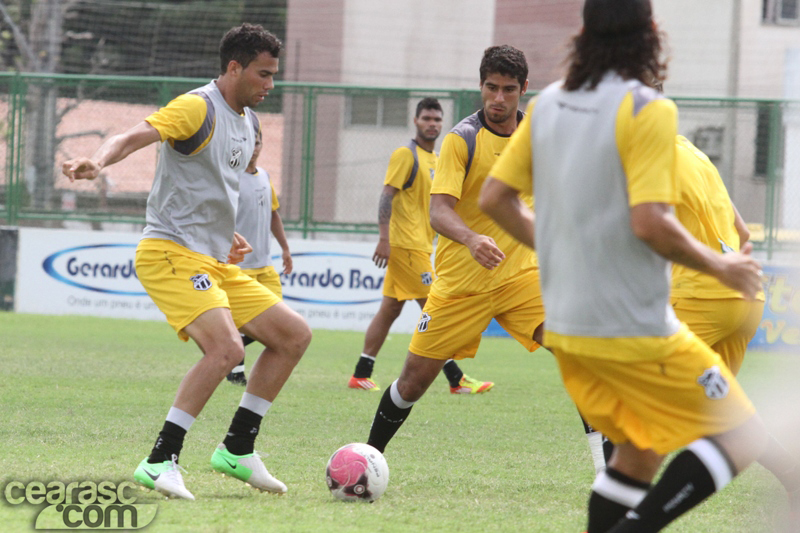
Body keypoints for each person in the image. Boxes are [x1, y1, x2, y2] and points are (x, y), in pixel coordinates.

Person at [480, 1, 768, 531]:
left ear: (584, 34)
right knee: (742, 435)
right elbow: (651, 223)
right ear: (652, 34)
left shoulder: (550, 105)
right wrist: (721, 266)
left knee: (640, 448)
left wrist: (557, 248)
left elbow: (496, 198)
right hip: (634, 329)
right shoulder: (647, 110)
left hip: (568, 328)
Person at [62, 23, 311, 501]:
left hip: (213, 259)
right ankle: (160, 460)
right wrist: (98, 160)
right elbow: (134, 135)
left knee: (294, 335)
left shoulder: (248, 122)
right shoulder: (197, 107)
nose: (270, 85)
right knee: (227, 350)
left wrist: (224, 236)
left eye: (273, 75)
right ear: (234, 67)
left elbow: (211, 187)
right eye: (263, 74)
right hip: (169, 253)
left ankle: (238, 447)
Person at [365, 45, 545, 454]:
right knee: (412, 383)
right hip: (462, 284)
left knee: (581, 352)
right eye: (491, 88)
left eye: (509, 90)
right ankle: (368, 457)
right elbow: (439, 211)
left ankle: (607, 479)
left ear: (524, 89)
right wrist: (472, 238)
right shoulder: (462, 139)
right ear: (480, 86)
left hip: (522, 279)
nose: (499, 99)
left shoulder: (537, 134)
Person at [668, 134, 800, 517]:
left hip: (701, 298)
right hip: (745, 296)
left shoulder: (643, 151)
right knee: (719, 407)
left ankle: (619, 511)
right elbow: (742, 232)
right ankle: (793, 474)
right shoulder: (692, 151)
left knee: (631, 385)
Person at [349, 97, 494, 395]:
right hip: (405, 245)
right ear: (416, 121)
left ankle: (361, 374)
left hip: (421, 245)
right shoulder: (406, 154)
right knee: (434, 307)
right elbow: (387, 194)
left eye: (437, 120)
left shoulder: (438, 159)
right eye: (427, 118)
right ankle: (456, 379)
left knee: (390, 309)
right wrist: (384, 239)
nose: (432, 124)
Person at [227, 130, 293, 386]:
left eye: (257, 142)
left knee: (280, 323)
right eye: (249, 143)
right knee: (245, 321)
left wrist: (285, 249)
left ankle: (231, 350)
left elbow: (274, 214)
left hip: (265, 265)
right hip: (240, 264)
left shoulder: (264, 176)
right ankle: (236, 370)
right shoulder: (231, 179)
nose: (254, 148)